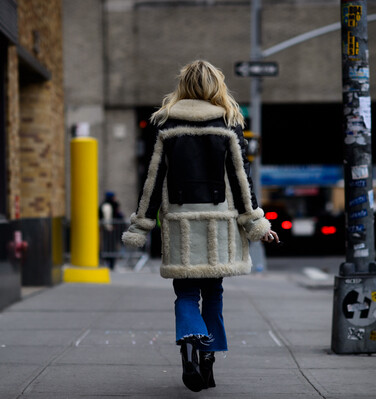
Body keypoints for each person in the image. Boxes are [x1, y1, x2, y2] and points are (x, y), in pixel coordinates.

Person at [122, 60, 278, 391]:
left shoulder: (165, 124)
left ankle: (191, 338)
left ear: (184, 86)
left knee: (186, 292)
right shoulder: (229, 123)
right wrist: (256, 224)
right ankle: (207, 355)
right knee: (214, 292)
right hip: (219, 226)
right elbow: (241, 180)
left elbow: (153, 178)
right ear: (216, 86)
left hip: (179, 225)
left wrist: (141, 225)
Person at [99, 191, 124, 270]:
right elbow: (107, 218)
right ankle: (110, 263)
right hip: (110, 230)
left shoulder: (113, 205)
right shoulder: (107, 206)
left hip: (113, 229)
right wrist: (109, 227)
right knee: (110, 247)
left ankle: (111, 263)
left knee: (111, 247)